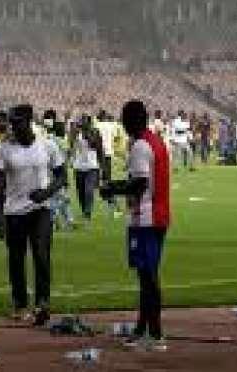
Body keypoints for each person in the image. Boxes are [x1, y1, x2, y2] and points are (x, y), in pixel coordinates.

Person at [101, 100, 170, 352]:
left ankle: (156, 334)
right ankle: (142, 330)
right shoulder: (155, 140)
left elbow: (139, 184)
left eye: (124, 119)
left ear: (131, 120)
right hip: (158, 216)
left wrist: (112, 188)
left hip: (146, 218)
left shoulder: (140, 146)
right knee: (146, 276)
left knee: (148, 278)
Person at [0, 104, 65, 326]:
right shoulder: (4, 149)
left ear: (29, 121)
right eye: (12, 122)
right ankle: (20, 304)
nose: (13, 127)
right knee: (16, 259)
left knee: (41, 255)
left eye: (17, 122)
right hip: (14, 212)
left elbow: (61, 176)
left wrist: (46, 193)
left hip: (40, 209)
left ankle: (43, 304)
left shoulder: (47, 146)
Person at [70, 115, 102, 221]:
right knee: (80, 191)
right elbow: (72, 146)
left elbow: (97, 147)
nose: (81, 123)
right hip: (78, 166)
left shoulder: (95, 132)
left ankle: (88, 213)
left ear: (89, 123)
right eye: (80, 121)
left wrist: (102, 166)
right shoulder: (76, 133)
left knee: (89, 190)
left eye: (83, 122)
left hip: (92, 166)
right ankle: (84, 210)